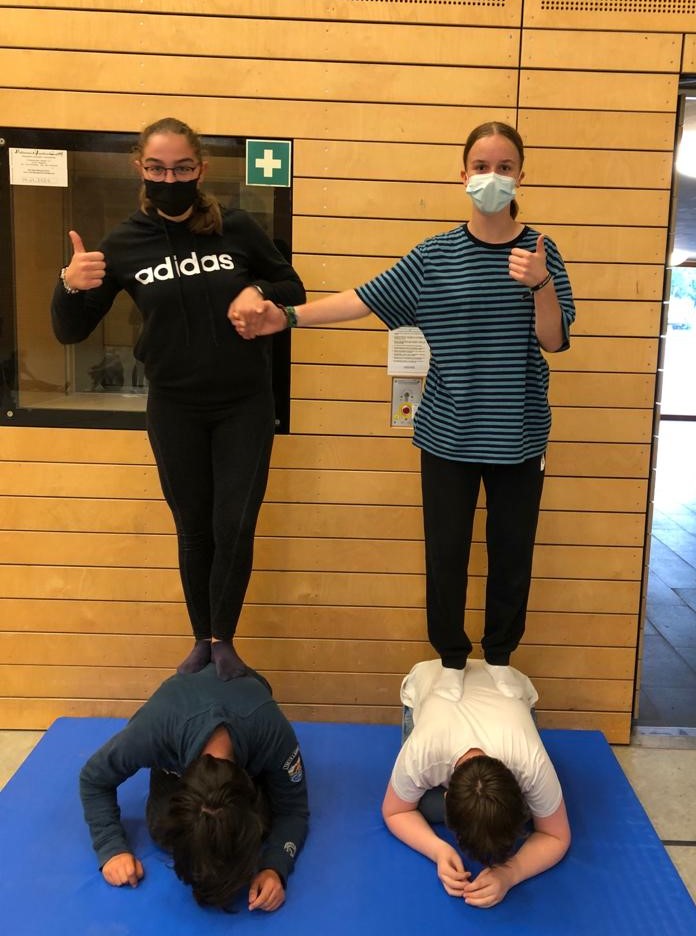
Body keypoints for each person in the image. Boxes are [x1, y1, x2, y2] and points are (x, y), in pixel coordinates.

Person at [231, 121, 575, 702]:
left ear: (521, 174)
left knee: (512, 552)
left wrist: (540, 284)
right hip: (446, 432)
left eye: (504, 167)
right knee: (446, 552)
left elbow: (554, 340)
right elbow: (362, 299)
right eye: (482, 166)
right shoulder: (435, 256)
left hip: (518, 435)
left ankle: (499, 656)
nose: (492, 177)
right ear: (463, 174)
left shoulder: (541, 251)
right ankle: (451, 658)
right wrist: (285, 317)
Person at [51, 117, 306, 680]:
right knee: (193, 527)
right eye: (158, 168)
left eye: (182, 168)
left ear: (201, 169)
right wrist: (69, 284)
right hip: (175, 408)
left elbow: (293, 287)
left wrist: (256, 288)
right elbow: (70, 331)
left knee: (234, 524)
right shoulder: (124, 243)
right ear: (140, 169)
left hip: (244, 404)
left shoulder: (237, 228)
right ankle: (202, 639)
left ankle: (224, 640)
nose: (170, 179)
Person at [79, 665, 308, 912]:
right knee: (162, 828)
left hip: (246, 700)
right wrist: (111, 848)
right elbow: (93, 779)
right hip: (179, 712)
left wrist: (275, 866)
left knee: (262, 826)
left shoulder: (271, 732)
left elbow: (294, 810)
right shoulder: (151, 732)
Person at [382, 658, 570, 908]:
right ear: (447, 797)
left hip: (505, 684)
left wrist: (511, 873)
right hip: (433, 679)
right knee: (425, 807)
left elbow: (556, 835)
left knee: (529, 813)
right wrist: (438, 850)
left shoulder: (530, 762)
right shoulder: (423, 752)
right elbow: (394, 811)